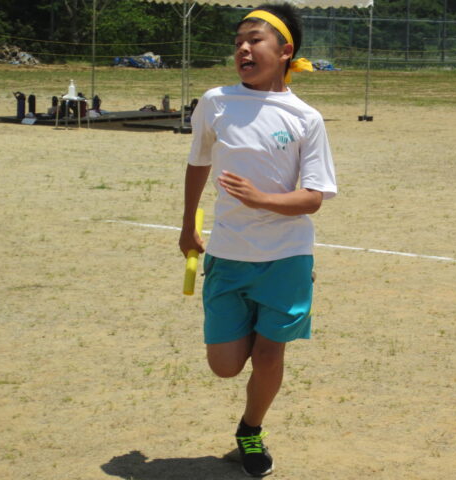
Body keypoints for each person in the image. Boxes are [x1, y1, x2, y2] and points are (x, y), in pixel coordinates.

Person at [179, 3, 337, 477]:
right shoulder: (216, 102)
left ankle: (250, 430)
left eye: (254, 40)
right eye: (238, 43)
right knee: (225, 365)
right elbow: (198, 161)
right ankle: (253, 326)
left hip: (286, 257)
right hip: (228, 253)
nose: (243, 49)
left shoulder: (306, 117)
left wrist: (261, 198)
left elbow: (313, 198)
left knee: (269, 355)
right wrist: (187, 225)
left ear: (285, 51)